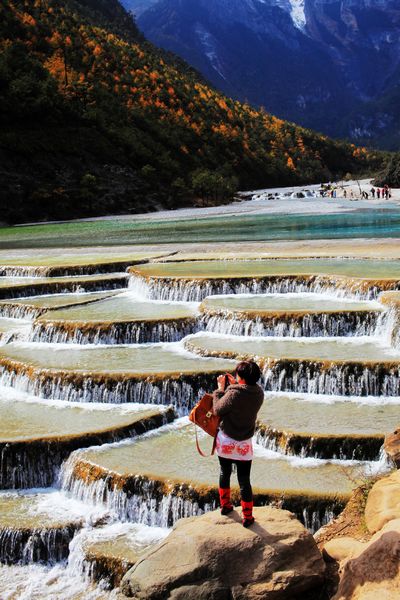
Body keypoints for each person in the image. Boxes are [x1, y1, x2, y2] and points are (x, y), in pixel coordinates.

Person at [212, 360, 264, 527]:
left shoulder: (233, 393)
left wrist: (220, 389)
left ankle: (225, 506)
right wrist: (235, 385)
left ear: (241, 378)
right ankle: (248, 516)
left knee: (224, 472)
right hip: (244, 445)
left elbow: (218, 409)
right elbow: (243, 397)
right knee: (244, 480)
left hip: (226, 441)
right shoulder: (259, 393)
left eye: (237, 375)